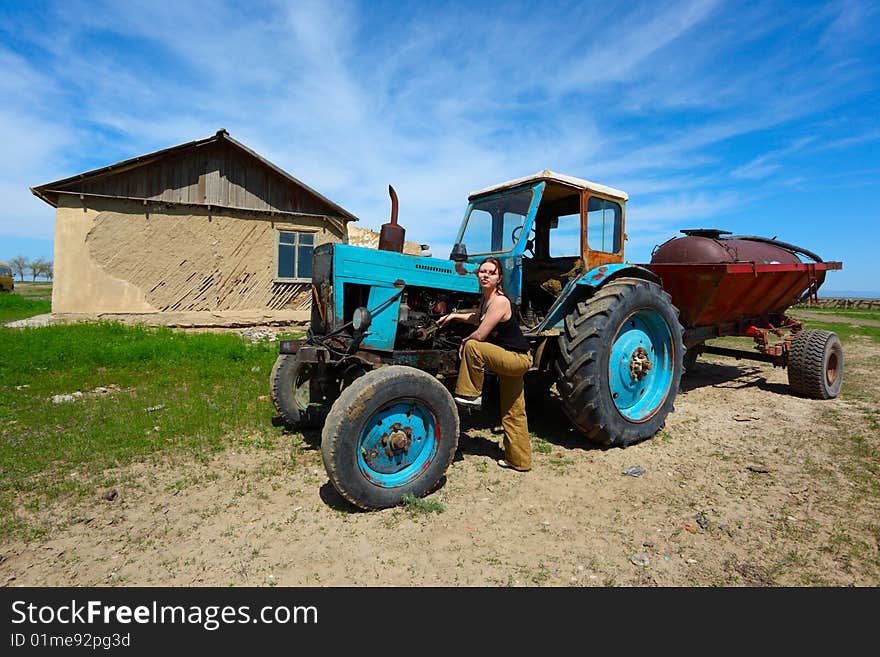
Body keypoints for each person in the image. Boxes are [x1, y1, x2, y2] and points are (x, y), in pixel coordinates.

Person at [436, 257, 534, 471]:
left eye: (491, 272)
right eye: (482, 271)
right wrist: (453, 316)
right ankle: (519, 460)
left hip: (517, 358)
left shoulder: (500, 301)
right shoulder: (486, 300)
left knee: (473, 346)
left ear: (499, 278)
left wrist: (464, 342)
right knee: (514, 409)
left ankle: (468, 396)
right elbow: (477, 317)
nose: (485, 275)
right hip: (510, 356)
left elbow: (480, 334)